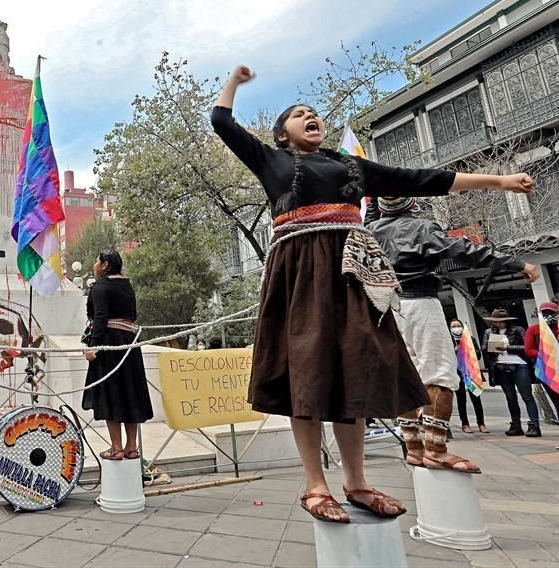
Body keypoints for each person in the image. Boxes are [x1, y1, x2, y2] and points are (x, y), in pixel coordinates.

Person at [212, 64, 536, 523]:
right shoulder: (271, 160)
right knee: (304, 374)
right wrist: (235, 83)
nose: (311, 116)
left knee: (352, 374)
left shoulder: (351, 166)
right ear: (282, 134)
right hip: (300, 275)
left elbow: (422, 178)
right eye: (299, 113)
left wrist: (499, 181)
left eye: (314, 112)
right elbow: (221, 122)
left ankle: (357, 482)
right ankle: (314, 485)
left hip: (350, 275)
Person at [369, 196, 535, 472]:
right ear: (412, 206)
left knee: (403, 374)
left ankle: (413, 447)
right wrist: (517, 264)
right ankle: (435, 448)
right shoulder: (422, 228)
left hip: (387, 309)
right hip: (421, 304)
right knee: (441, 374)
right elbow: (464, 249)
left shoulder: (372, 230)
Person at [81, 250, 153, 460]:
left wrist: (94, 345)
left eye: (97, 261)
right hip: (129, 343)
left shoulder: (100, 286)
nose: (94, 264)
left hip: (109, 343)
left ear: (105, 265)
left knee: (110, 394)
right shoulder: (127, 286)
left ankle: (116, 447)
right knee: (130, 391)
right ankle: (132, 448)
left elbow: (100, 316)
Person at [483, 309, 539, 437]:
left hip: (519, 365)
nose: (499, 324)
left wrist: (508, 348)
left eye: (502, 321)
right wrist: (491, 348)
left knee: (527, 396)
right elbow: (484, 349)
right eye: (496, 322)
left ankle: (534, 424)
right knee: (510, 398)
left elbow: (527, 347)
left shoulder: (518, 330)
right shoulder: (489, 332)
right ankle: (515, 424)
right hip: (501, 367)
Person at [450, 319, 488, 434]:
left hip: (470, 371)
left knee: (476, 397)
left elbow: (478, 355)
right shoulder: (448, 341)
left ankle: (481, 423)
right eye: (453, 326)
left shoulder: (470, 339)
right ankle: (465, 423)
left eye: (458, 325)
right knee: (461, 399)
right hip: (457, 372)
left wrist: (467, 349)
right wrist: (455, 350)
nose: (456, 328)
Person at [524, 301, 559, 420]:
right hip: (547, 370)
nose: (548, 315)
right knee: (556, 398)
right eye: (545, 313)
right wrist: (548, 354)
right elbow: (529, 350)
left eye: (552, 313)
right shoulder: (534, 330)